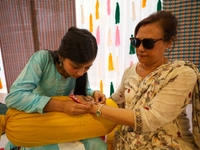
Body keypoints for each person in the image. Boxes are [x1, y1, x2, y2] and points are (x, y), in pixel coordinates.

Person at [87, 10, 200, 150]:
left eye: (148, 43)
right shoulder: (130, 72)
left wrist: (96, 108)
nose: (140, 48)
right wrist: (96, 96)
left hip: (169, 145)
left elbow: (150, 118)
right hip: (126, 144)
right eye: (136, 41)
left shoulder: (181, 73)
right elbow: (117, 100)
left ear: (168, 42)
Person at [5, 27, 107, 150]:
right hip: (37, 120)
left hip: (61, 120)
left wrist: (95, 93)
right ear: (61, 56)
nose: (81, 73)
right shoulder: (43, 59)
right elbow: (15, 97)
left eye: (87, 68)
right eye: (76, 66)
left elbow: (84, 91)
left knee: (99, 146)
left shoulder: (80, 71)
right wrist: (63, 106)